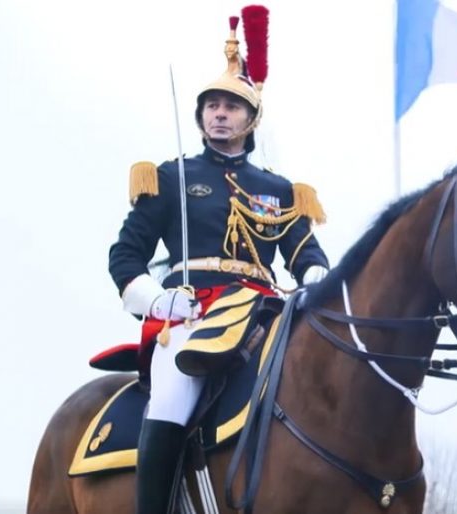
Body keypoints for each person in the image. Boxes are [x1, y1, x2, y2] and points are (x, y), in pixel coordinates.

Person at [108, 11, 329, 514]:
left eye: (231, 106)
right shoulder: (169, 178)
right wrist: (158, 298)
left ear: (251, 120)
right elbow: (125, 256)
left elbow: (303, 252)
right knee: (171, 398)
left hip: (265, 311)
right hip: (193, 314)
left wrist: (316, 276)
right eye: (211, 106)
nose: (220, 114)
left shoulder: (280, 190)